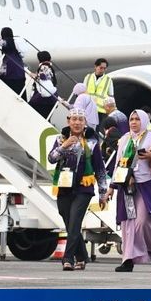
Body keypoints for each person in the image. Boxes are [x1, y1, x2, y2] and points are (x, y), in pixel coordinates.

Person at [105, 110, 151, 272]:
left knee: (143, 222)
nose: (134, 122)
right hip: (127, 185)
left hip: (147, 185)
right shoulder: (125, 139)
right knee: (128, 223)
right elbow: (118, 163)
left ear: (144, 120)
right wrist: (112, 187)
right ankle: (128, 260)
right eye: (131, 119)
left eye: (137, 119)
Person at [48, 108, 109, 270]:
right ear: (68, 121)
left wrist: (103, 193)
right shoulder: (60, 139)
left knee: (75, 222)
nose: (77, 122)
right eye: (74, 119)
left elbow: (100, 169)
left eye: (80, 120)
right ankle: (81, 256)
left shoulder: (93, 141)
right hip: (64, 186)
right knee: (69, 223)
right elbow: (51, 158)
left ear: (85, 123)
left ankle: (68, 259)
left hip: (84, 188)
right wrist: (64, 147)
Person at [0, 27, 27, 96]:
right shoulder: (14, 43)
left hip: (11, 72)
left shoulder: (7, 42)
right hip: (20, 71)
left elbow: (0, 42)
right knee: (21, 93)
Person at [85, 59, 114, 126]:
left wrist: (110, 111)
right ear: (95, 67)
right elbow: (83, 92)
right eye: (101, 68)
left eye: (104, 68)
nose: (103, 70)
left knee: (97, 131)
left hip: (100, 111)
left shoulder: (108, 80)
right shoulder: (88, 77)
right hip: (88, 108)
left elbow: (111, 97)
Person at [29, 51, 58, 118]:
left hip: (44, 99)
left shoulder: (44, 66)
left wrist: (35, 76)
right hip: (50, 98)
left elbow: (44, 76)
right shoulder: (49, 67)